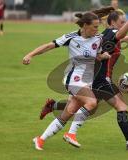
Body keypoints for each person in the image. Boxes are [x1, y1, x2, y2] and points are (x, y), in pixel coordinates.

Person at [40, 10, 128, 151]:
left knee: (78, 108)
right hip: (101, 79)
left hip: (92, 78)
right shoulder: (111, 32)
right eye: (121, 22)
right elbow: (118, 35)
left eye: (124, 22)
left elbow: (116, 38)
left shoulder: (102, 35)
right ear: (112, 23)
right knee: (121, 106)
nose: (123, 24)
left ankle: (53, 107)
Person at [23, 12, 111, 150]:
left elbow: (96, 56)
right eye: (94, 27)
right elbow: (48, 46)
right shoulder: (71, 38)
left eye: (98, 27)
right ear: (85, 26)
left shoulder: (98, 38)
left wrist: (103, 56)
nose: (97, 30)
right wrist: (30, 54)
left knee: (67, 113)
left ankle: (40, 139)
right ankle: (71, 134)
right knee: (92, 102)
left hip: (87, 81)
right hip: (74, 80)